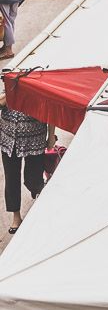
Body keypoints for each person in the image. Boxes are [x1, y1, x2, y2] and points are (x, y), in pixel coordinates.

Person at [0, 95, 54, 234]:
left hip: (35, 137)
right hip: (9, 138)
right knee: (11, 179)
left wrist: (51, 136)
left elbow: (51, 106)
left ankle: (37, 196)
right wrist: (11, 92)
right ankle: (16, 217)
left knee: (34, 178)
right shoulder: (9, 77)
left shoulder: (40, 75)